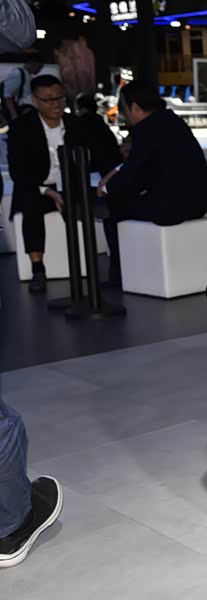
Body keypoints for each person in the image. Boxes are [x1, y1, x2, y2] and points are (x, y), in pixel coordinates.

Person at [0, 0, 63, 569]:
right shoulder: (23, 128)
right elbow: (19, 25)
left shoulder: (80, 122)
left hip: (75, 189)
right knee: (3, 424)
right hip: (37, 193)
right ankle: (10, 523)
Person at [7, 74, 120, 293]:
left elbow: (101, 157)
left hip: (72, 187)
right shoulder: (21, 128)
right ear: (35, 101)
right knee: (30, 204)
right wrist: (48, 191)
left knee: (110, 203)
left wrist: (106, 180)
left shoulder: (76, 125)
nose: (56, 104)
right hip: (38, 188)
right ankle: (38, 269)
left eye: (60, 98)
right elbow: (18, 171)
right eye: (48, 100)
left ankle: (112, 267)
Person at [97, 81, 207, 286]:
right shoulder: (171, 121)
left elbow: (134, 176)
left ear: (135, 108)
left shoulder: (146, 129)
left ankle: (120, 275)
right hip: (199, 201)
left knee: (113, 210)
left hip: (172, 208)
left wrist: (108, 188)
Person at [1, 52, 43, 122]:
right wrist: (13, 114)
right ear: (33, 64)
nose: (39, 71)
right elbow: (7, 95)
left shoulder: (28, 75)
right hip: (22, 109)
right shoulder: (18, 73)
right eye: (39, 67)